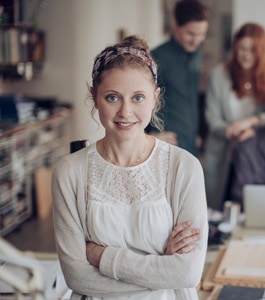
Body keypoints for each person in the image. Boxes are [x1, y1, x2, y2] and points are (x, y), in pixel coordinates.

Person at [51, 35, 208, 299]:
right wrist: (162, 268)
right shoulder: (69, 172)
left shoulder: (184, 167)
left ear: (155, 98)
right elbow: (77, 277)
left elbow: (187, 274)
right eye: (112, 97)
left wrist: (102, 256)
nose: (125, 112)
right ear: (94, 96)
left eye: (138, 97)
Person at [203, 22, 265, 211]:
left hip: (253, 153)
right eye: (242, 48)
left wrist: (252, 122)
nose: (245, 54)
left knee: (251, 208)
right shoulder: (218, 76)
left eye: (252, 50)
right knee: (214, 208)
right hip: (221, 153)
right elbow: (212, 118)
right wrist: (231, 131)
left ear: (261, 52)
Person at [147, 0, 210, 156]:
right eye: (191, 34)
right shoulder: (156, 58)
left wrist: (196, 133)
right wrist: (149, 136)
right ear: (175, 24)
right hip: (165, 144)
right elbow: (142, 99)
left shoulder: (196, 54)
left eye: (202, 34)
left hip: (190, 143)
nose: (197, 40)